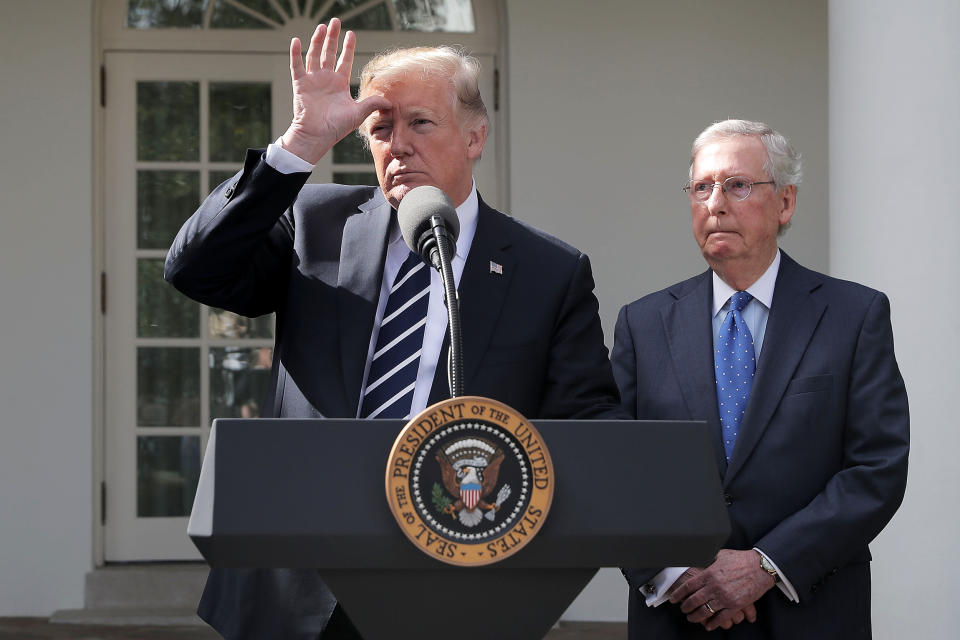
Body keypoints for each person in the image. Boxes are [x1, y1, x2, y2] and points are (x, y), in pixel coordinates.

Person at [164, 18, 620, 640]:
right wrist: (298, 144)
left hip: (457, 578)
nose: (397, 143)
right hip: (299, 582)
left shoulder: (550, 271)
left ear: (475, 135)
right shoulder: (315, 224)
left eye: (421, 124)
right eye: (380, 128)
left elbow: (583, 427)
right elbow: (196, 270)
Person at [611, 119, 909, 639]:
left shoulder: (853, 315)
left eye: (737, 185)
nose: (715, 203)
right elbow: (615, 470)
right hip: (679, 615)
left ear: (786, 203)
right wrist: (675, 574)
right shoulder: (643, 323)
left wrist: (765, 565)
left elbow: (876, 468)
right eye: (702, 187)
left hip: (809, 610)